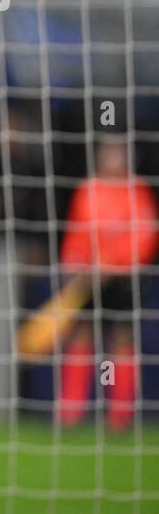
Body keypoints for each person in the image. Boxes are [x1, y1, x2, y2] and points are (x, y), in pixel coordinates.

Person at [57, 134, 159, 431]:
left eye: (118, 153)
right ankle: (71, 411)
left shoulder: (136, 191)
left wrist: (112, 263)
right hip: (88, 279)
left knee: (121, 340)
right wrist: (73, 263)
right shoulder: (88, 189)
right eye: (108, 152)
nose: (113, 158)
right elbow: (76, 233)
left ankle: (119, 415)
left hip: (123, 280)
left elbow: (145, 237)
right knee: (81, 336)